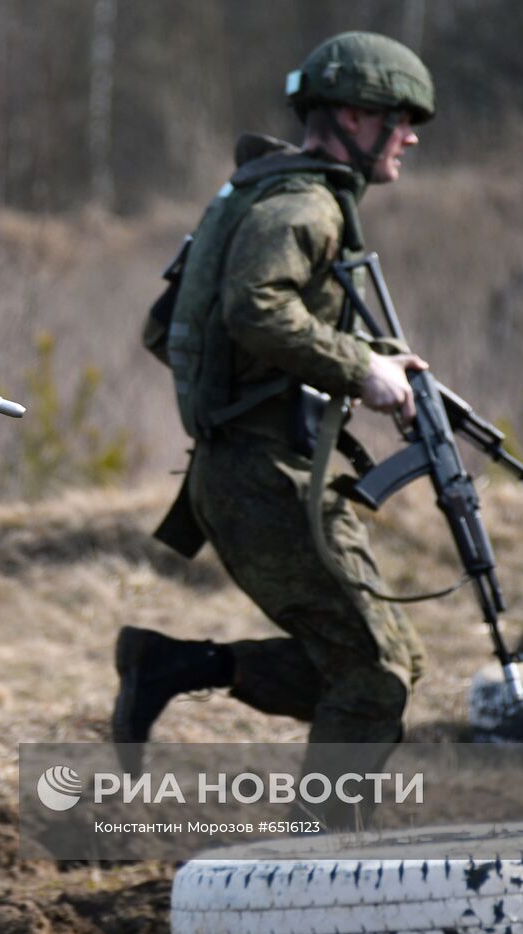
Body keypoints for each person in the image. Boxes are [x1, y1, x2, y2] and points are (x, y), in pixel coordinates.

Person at [114, 33, 434, 785]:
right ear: (356, 117)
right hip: (264, 476)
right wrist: (358, 368)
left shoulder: (265, 191)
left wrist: (356, 354)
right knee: (374, 675)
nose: (412, 136)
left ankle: (169, 665)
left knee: (387, 659)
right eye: (402, 118)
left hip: (255, 468)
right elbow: (254, 307)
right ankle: (321, 867)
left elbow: (176, 328)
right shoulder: (305, 204)